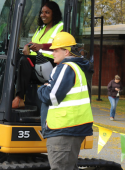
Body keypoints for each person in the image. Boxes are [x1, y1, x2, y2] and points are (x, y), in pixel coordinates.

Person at [37, 32, 93, 170]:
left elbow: (52, 97)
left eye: (56, 50)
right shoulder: (77, 68)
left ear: (66, 51)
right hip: (70, 128)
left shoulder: (65, 67)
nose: (53, 54)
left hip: (63, 130)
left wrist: (41, 89)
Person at [12, 1, 63, 108]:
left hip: (51, 63)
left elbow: (62, 46)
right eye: (42, 12)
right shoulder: (41, 28)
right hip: (38, 63)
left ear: (54, 14)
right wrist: (26, 46)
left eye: (47, 12)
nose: (43, 15)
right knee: (13, 59)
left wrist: (41, 46)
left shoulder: (61, 27)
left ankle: (19, 98)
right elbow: (32, 42)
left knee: (24, 61)